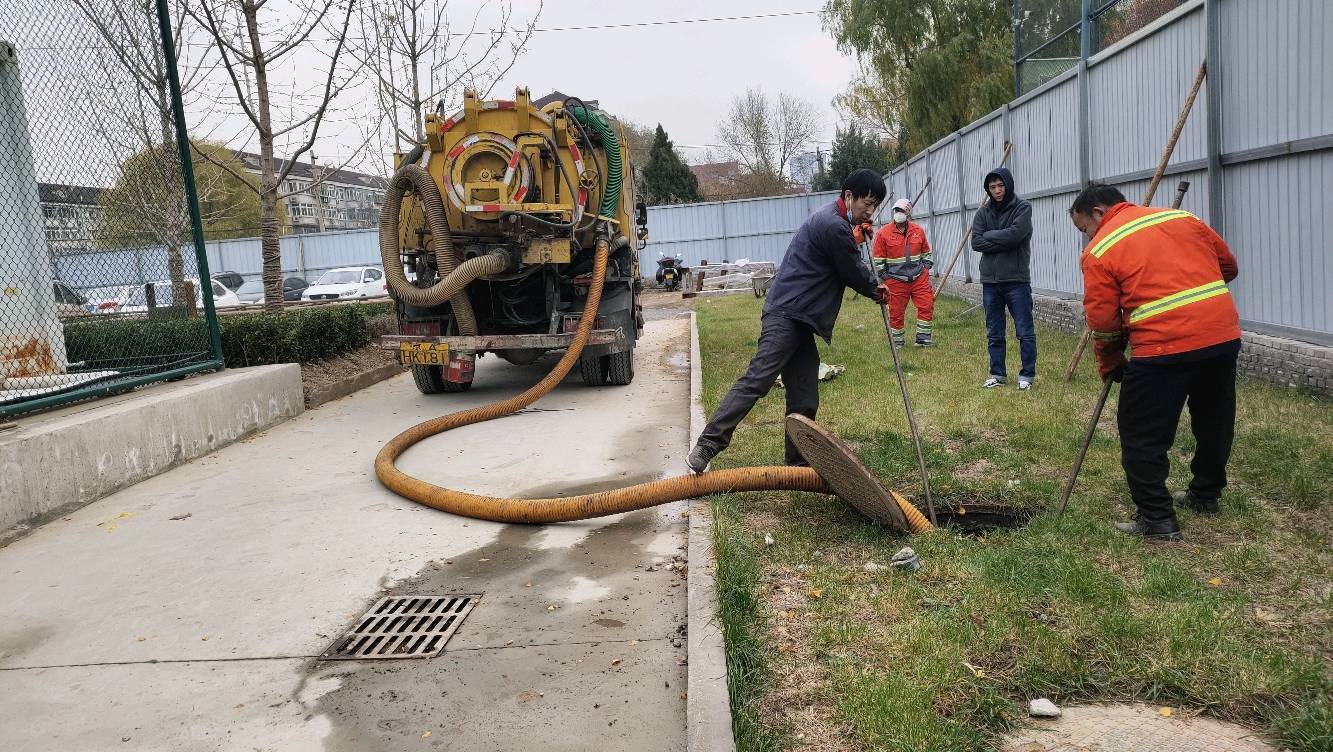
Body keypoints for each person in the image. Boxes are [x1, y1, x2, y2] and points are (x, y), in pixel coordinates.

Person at [1069, 183, 1241, 540]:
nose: (1086, 238)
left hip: (1163, 348)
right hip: (1221, 337)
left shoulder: (1100, 250)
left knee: (1142, 432)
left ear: (1098, 212)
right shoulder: (1183, 219)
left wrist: (1112, 360)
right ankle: (1205, 495)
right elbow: (1227, 266)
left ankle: (1157, 518)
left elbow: (1102, 322)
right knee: (1213, 420)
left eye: (1084, 228)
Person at [687, 169, 889, 472]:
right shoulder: (834, 226)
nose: (870, 211)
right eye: (867, 204)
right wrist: (876, 289)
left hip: (799, 318)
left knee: (805, 392)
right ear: (849, 196)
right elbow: (851, 270)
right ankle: (707, 445)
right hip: (787, 315)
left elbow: (838, 254)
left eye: (875, 206)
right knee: (758, 379)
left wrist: (855, 237)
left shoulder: (834, 221)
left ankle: (797, 463)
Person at [971, 167, 1036, 390]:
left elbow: (1017, 235)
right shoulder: (983, 213)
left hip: (1016, 281)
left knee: (1024, 331)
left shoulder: (1022, 208)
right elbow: (975, 242)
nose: (997, 191)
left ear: (1008, 185)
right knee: (994, 332)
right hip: (990, 282)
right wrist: (1003, 238)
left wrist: (989, 236)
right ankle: (998, 374)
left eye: (1000, 185)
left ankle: (1027, 375)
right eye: (992, 187)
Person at [872, 198, 934, 347]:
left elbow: (926, 252)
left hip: (919, 277)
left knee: (927, 305)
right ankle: (897, 342)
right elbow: (878, 258)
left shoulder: (918, 231)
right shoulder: (883, 233)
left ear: (909, 214)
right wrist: (884, 276)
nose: (898, 213)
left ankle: (923, 339)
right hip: (895, 279)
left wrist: (925, 269)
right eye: (897, 211)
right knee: (896, 312)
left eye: (902, 211)